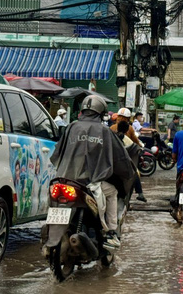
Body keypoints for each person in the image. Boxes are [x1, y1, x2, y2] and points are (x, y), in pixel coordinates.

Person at [50, 95, 136, 250]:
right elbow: (119, 157)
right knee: (113, 192)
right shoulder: (104, 131)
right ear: (101, 112)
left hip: (66, 180)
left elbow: (56, 154)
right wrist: (127, 171)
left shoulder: (71, 127)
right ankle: (111, 232)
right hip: (91, 183)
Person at [116, 121, 147, 202]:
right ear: (127, 130)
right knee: (135, 173)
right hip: (123, 164)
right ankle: (140, 194)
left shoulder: (112, 135)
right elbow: (134, 149)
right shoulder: (127, 140)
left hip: (111, 164)